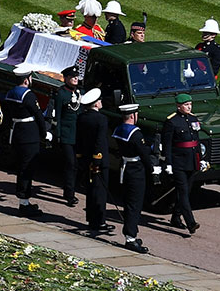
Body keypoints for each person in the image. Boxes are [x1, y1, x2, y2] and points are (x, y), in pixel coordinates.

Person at [4, 66, 50, 216]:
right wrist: (45, 133)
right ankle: (24, 203)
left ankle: (25, 201)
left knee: (22, 167)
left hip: (17, 132)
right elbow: (38, 115)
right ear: (26, 79)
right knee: (27, 169)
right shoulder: (28, 95)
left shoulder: (11, 93)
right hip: (29, 135)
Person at [113, 103, 157, 253]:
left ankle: (131, 234)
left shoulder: (119, 129)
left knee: (129, 203)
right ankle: (130, 238)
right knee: (134, 205)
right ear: (133, 116)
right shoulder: (135, 133)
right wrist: (152, 168)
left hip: (125, 168)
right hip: (135, 170)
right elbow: (143, 153)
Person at [163, 93, 202, 235]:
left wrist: (201, 158)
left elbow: (197, 141)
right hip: (178, 162)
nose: (189, 106)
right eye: (186, 105)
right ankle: (191, 222)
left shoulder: (193, 119)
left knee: (186, 190)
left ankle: (175, 217)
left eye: (190, 104)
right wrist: (168, 163)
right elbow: (167, 144)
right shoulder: (172, 122)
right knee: (183, 192)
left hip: (192, 161)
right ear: (178, 106)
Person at [76, 88, 113, 234]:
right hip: (99, 160)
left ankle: (91, 218)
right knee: (100, 192)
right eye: (100, 101)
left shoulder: (81, 118)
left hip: (85, 158)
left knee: (90, 190)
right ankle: (100, 221)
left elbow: (79, 140)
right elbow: (99, 142)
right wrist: (97, 160)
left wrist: (81, 157)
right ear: (96, 104)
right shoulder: (101, 119)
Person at [52, 64, 83, 206]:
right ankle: (69, 194)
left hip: (78, 134)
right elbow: (57, 115)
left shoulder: (79, 92)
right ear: (66, 79)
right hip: (66, 134)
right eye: (72, 77)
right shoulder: (61, 94)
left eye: (76, 76)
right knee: (70, 163)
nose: (75, 79)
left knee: (76, 164)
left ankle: (71, 188)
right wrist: (57, 135)